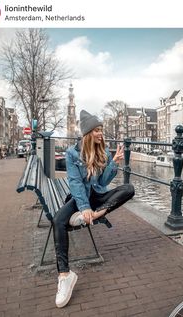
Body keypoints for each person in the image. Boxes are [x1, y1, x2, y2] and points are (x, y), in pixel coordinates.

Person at [53, 110, 135, 308]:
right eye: (97, 130)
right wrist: (84, 207)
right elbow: (75, 183)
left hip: (98, 198)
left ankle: (99, 214)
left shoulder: (104, 152)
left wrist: (113, 163)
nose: (100, 133)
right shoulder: (73, 153)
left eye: (101, 130)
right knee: (57, 220)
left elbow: (104, 182)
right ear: (87, 133)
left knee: (129, 189)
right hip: (81, 197)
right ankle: (65, 275)